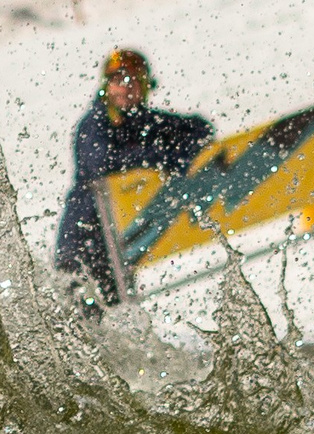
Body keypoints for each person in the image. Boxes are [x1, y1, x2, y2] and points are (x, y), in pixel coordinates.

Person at [54, 49, 216, 305]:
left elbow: (200, 129)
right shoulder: (95, 122)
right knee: (87, 322)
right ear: (107, 87)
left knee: (121, 313)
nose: (126, 88)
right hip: (83, 245)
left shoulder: (143, 121)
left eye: (133, 81)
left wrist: (178, 154)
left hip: (118, 239)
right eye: (118, 81)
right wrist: (161, 156)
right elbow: (103, 162)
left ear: (145, 86)